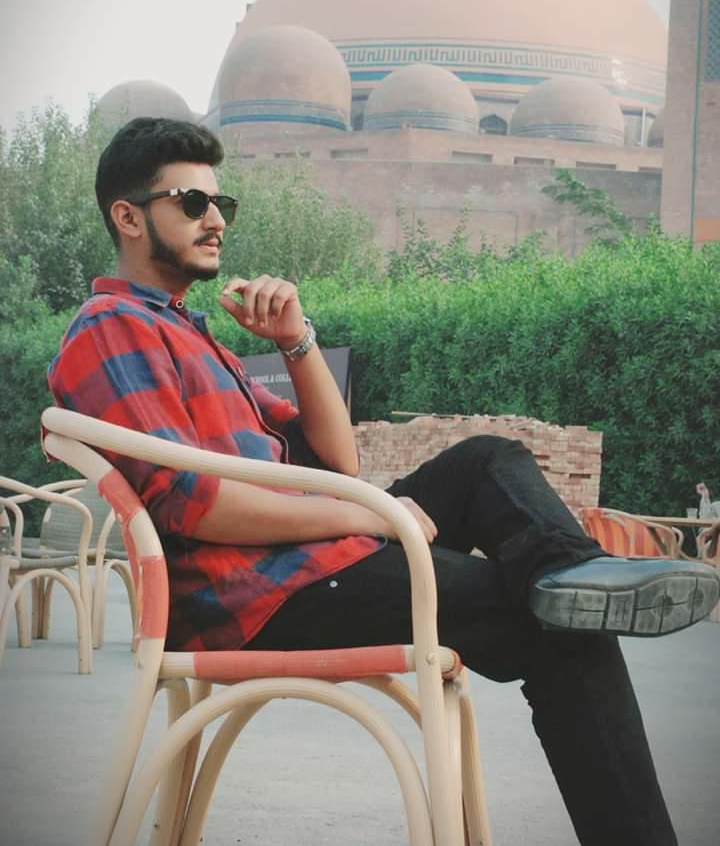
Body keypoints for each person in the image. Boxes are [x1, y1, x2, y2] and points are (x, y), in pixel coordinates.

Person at [49, 117, 720, 846]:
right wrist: (366, 516)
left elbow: (338, 462)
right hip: (263, 594)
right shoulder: (111, 326)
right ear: (129, 217)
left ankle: (576, 572)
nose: (216, 220)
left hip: (312, 561)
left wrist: (296, 339)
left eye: (221, 203)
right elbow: (195, 502)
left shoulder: (190, 330)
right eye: (192, 203)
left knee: (487, 459)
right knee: (562, 632)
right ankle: (574, 596)